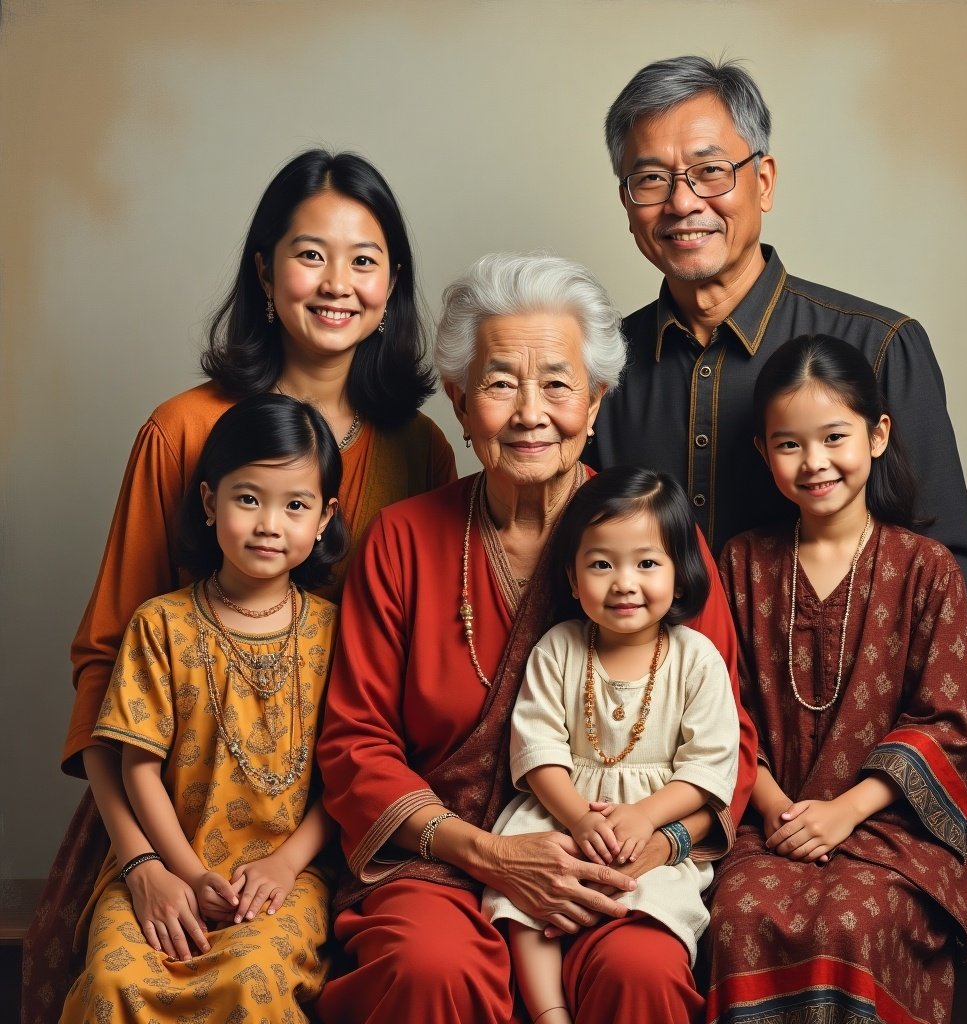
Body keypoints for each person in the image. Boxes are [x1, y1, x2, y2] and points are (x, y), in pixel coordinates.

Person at [24, 149, 455, 1024]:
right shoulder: (181, 432)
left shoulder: (420, 452)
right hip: (164, 813)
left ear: (392, 284)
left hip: (342, 815)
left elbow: (418, 680)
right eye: (309, 254)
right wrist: (144, 863)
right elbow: (106, 663)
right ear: (264, 272)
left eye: (364, 260)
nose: (337, 284)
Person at [315, 252, 758, 1024]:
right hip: (441, 863)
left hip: (614, 860)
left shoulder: (658, 544)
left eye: (557, 383)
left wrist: (652, 849)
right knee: (429, 967)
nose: (529, 413)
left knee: (641, 969)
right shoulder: (401, 540)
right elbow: (357, 745)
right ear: (458, 401)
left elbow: (730, 740)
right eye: (498, 383)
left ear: (596, 401)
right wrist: (490, 856)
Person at [589, 55, 967, 721]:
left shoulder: (880, 347)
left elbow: (952, 595)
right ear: (628, 205)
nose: (683, 201)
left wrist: (902, 785)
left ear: (764, 180)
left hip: (840, 763)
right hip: (646, 760)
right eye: (651, 180)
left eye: (710, 170)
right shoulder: (602, 369)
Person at [707, 335, 967, 1023]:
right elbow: (719, 710)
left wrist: (844, 812)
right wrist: (775, 807)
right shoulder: (740, 564)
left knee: (856, 925)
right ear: (763, 454)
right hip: (765, 823)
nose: (815, 463)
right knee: (738, 915)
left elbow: (948, 723)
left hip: (893, 832)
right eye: (789, 444)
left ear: (879, 433)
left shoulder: (926, 569)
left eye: (834, 436)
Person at [59, 394, 347, 1022]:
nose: (270, 523)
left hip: (284, 880)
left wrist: (286, 862)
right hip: (163, 864)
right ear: (209, 501)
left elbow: (349, 772)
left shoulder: (338, 633)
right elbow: (137, 769)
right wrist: (183, 874)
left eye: (295, 505)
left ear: (324, 518)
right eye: (249, 498)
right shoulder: (160, 624)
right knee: (114, 977)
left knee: (253, 979)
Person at [482, 466, 739, 1024]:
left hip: (647, 826)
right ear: (573, 579)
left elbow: (709, 768)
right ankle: (549, 1011)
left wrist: (645, 817)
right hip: (560, 815)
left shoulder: (696, 658)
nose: (624, 582)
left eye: (647, 563)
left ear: (679, 572)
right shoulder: (559, 647)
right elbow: (537, 749)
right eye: (601, 564)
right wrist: (576, 818)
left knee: (654, 912)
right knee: (522, 908)